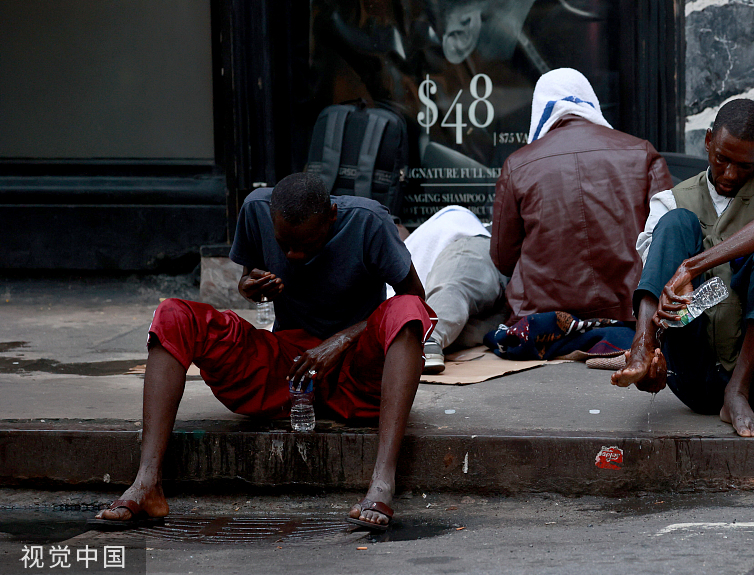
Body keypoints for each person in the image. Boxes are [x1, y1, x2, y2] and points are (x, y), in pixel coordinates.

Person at [94, 173, 433, 531]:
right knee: (173, 315)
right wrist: (250, 289)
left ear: (332, 215)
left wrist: (341, 340)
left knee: (406, 311)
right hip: (290, 372)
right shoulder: (256, 209)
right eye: (284, 244)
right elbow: (246, 279)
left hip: (359, 373)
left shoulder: (369, 221)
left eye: (306, 245)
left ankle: (382, 483)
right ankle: (147, 482)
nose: (293, 255)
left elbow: (416, 298)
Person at [612, 99, 754, 437]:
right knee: (676, 224)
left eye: (745, 166)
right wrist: (657, 338)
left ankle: (738, 390)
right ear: (708, 142)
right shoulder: (671, 200)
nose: (730, 174)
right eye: (722, 159)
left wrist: (693, 267)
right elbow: (658, 276)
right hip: (696, 382)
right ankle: (641, 350)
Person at [490, 67, 673, 327]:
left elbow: (502, 259)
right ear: (591, 101)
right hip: (629, 315)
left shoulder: (517, 165)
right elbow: (667, 240)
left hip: (542, 320)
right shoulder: (641, 152)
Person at [394, 205, 508, 373]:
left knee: (453, 286)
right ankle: (425, 340)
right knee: (470, 326)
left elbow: (454, 285)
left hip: (472, 245)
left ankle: (428, 337)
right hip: (492, 301)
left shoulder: (449, 225)